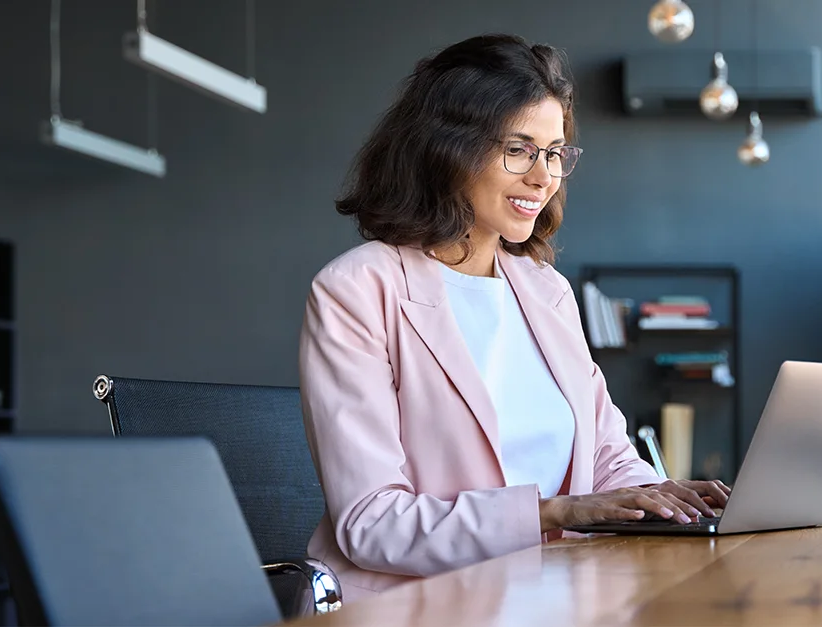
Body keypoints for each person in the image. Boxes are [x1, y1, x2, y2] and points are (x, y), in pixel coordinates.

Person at [298, 33, 731, 603]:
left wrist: (665, 500)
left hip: (559, 593)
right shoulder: (357, 290)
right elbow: (373, 522)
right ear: (446, 148)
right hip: (421, 605)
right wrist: (556, 511)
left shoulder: (546, 291)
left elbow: (606, 458)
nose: (543, 177)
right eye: (519, 149)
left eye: (554, 153)